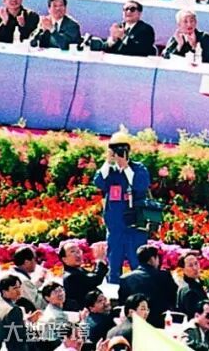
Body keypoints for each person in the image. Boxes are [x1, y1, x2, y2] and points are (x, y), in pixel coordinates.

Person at [93, 130, 151, 282]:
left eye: (122, 149)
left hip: (134, 227)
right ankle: (114, 291)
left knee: (138, 265)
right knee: (114, 265)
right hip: (115, 227)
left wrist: (126, 167)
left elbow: (141, 185)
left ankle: (139, 291)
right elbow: (98, 182)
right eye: (115, 149)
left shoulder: (138, 168)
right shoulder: (109, 171)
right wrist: (108, 161)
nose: (118, 153)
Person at [0, 275, 37, 351]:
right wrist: (30, 325)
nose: (19, 291)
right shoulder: (13, 309)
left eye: (19, 287)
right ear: (4, 291)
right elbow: (21, 335)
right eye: (14, 288)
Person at [59, 242, 108, 312]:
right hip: (85, 313)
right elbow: (95, 279)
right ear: (64, 259)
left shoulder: (78, 270)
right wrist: (100, 260)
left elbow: (92, 275)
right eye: (72, 251)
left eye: (78, 251)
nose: (77, 254)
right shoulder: (71, 276)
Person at [11, 247, 45, 312]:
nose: (36, 263)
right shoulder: (23, 280)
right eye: (35, 260)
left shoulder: (12, 273)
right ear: (26, 262)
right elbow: (38, 304)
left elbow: (27, 291)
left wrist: (40, 281)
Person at [176, 252, 208, 318]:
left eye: (196, 263)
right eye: (190, 265)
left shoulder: (194, 284)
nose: (195, 268)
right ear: (183, 269)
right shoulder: (190, 291)